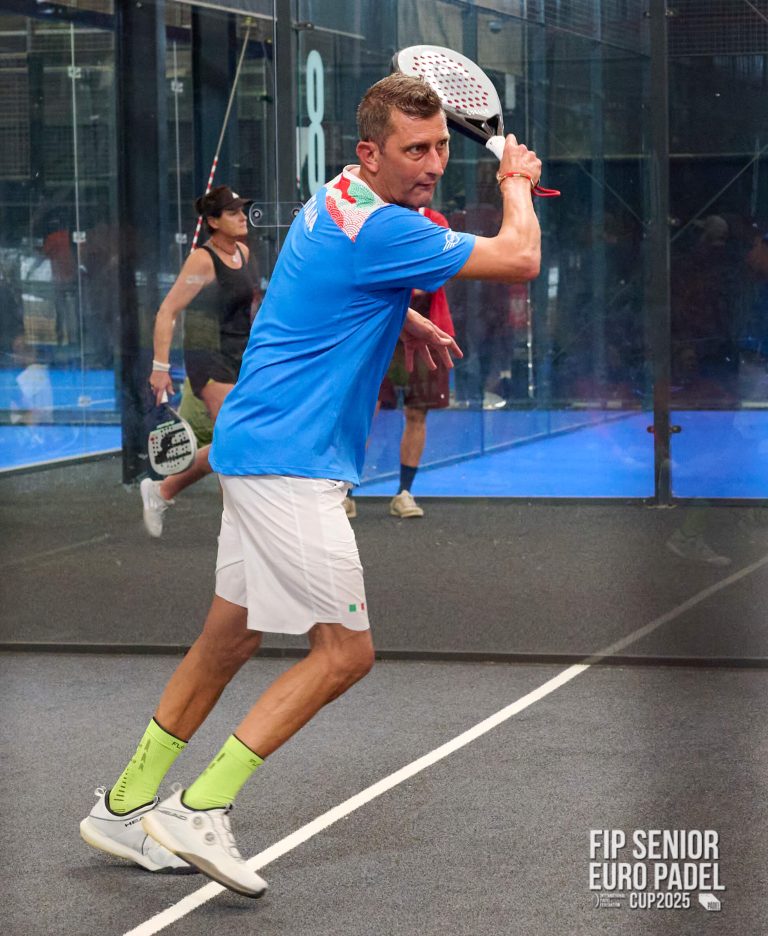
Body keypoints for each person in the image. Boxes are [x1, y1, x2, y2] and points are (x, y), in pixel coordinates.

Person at [80, 73, 542, 898]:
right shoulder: (390, 229)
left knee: (229, 640)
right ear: (371, 151)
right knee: (344, 654)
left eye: (441, 146)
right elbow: (521, 258)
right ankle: (200, 808)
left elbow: (322, 279)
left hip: (253, 448)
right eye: (415, 149)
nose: (434, 163)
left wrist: (401, 315)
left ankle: (122, 807)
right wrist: (515, 179)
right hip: (290, 466)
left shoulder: (334, 197)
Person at [140, 185, 256, 536]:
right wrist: (160, 368)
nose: (242, 216)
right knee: (235, 440)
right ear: (213, 221)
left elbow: (249, 309)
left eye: (242, 210)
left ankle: (162, 490)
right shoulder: (201, 261)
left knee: (232, 442)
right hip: (208, 356)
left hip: (241, 354)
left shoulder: (244, 253)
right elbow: (167, 311)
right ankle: (237, 529)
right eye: (233, 212)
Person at [344, 205, 455, 520]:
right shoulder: (369, 218)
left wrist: (395, 278)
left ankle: (404, 493)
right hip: (376, 331)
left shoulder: (435, 221)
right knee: (364, 410)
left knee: (417, 412)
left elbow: (435, 272)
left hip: (428, 328)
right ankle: (345, 493)